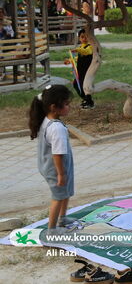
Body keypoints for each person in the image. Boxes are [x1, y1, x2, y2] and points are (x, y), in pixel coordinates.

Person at [28, 85, 76, 231]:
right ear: (54, 107)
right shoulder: (57, 128)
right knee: (58, 197)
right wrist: (61, 174)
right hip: (56, 169)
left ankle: (62, 218)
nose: (69, 107)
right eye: (66, 104)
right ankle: (52, 230)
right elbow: (57, 153)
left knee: (65, 192)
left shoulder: (47, 120)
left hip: (54, 166)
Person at [71, 29, 95, 109]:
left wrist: (77, 49)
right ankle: (85, 99)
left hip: (87, 70)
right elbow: (80, 57)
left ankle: (89, 101)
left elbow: (86, 52)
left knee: (85, 85)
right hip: (81, 71)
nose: (84, 39)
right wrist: (70, 60)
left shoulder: (90, 47)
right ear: (79, 38)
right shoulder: (81, 47)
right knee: (76, 84)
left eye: (86, 37)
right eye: (82, 37)